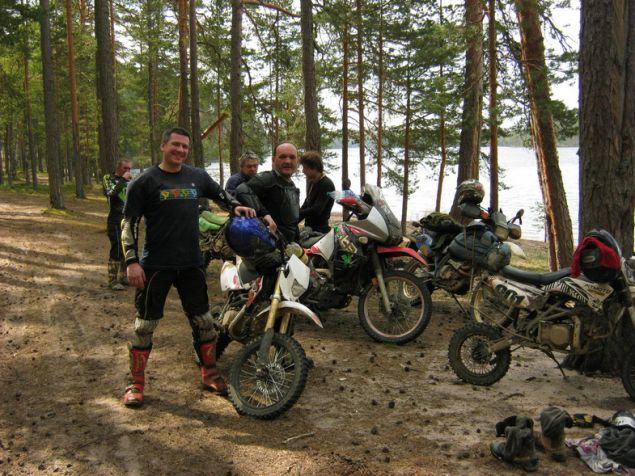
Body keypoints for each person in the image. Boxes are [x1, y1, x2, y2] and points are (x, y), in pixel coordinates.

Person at [120, 127, 255, 407]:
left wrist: (236, 207)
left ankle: (210, 373)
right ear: (163, 146)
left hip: (192, 263)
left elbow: (222, 196)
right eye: (176, 145)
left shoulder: (197, 176)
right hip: (155, 265)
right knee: (144, 325)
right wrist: (131, 262)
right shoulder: (144, 181)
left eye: (185, 147)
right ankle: (136, 383)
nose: (180, 150)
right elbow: (128, 224)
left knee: (204, 322)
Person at [234, 142, 301, 243]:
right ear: (273, 160)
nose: (288, 161)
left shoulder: (291, 185)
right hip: (267, 246)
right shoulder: (266, 179)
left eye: (292, 157)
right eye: (282, 157)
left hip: (287, 245)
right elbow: (241, 190)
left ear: (297, 161)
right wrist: (264, 214)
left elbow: (292, 222)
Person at [102, 159, 132, 290]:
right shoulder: (108, 178)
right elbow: (111, 193)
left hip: (128, 218)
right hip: (115, 219)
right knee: (117, 248)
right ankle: (112, 280)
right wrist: (123, 179)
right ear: (118, 168)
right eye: (125, 168)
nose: (128, 171)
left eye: (129, 168)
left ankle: (123, 276)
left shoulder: (129, 181)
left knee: (128, 248)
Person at [299, 151, 335, 233]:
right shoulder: (313, 182)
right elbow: (306, 204)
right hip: (309, 228)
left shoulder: (326, 184)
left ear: (314, 167)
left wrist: (296, 213)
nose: (303, 171)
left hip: (320, 231)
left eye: (305, 168)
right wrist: (292, 222)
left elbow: (316, 210)